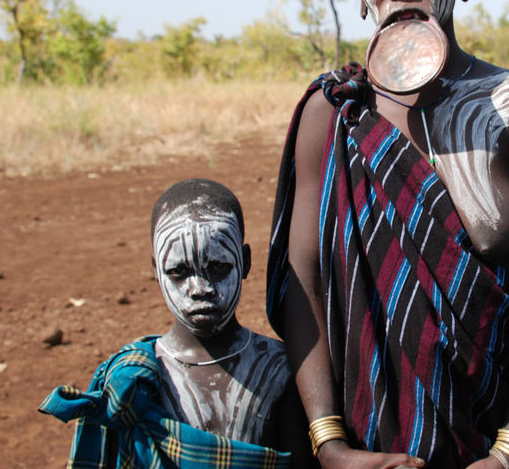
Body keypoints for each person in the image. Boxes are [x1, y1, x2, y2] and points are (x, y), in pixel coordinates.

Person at [267, 0, 509, 469]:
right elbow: (301, 281)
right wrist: (331, 446)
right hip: (360, 446)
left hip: (483, 440)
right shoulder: (333, 115)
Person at [40, 178, 314, 468]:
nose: (200, 288)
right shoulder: (132, 382)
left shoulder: (279, 369)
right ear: (156, 271)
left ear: (245, 262)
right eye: (179, 272)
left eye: (218, 267)